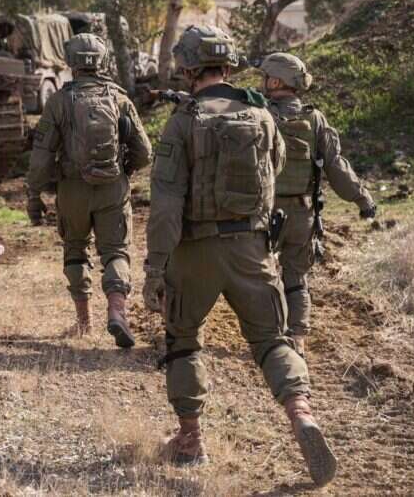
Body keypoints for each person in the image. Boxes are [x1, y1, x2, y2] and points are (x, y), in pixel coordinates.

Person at [143, 25, 337, 486]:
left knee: (184, 340)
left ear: (188, 69)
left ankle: (190, 440)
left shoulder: (183, 120)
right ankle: (301, 414)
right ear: (229, 65)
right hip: (253, 248)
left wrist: (154, 268)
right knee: (272, 341)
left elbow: (166, 204)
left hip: (196, 252)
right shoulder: (262, 115)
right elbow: (273, 173)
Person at [27, 33, 153, 347]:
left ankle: (84, 323)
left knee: (75, 249)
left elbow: (42, 156)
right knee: (116, 251)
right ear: (100, 60)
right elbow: (145, 151)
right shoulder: (119, 98)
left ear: (71, 62)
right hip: (113, 188)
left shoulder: (58, 101)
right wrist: (126, 172)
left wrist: (34, 195)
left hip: (72, 190)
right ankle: (117, 312)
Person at [259, 52, 376, 356]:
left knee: (257, 273)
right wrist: (363, 199)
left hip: (262, 210)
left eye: (265, 78)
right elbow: (336, 166)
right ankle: (297, 337)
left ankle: (267, 334)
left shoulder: (258, 114)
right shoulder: (315, 118)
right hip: (302, 212)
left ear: (274, 81)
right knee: (296, 276)